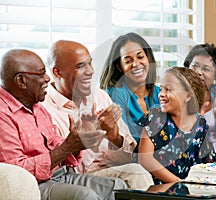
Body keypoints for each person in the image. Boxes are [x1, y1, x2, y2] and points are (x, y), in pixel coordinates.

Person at [0, 49, 127, 199]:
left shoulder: (36, 107)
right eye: (41, 74)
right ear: (21, 80)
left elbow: (58, 148)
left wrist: (80, 140)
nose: (47, 78)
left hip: (60, 175)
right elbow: (16, 175)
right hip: (33, 185)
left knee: (118, 188)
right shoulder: (3, 114)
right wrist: (69, 146)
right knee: (85, 196)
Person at [42, 40, 154, 190]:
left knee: (136, 172)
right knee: (135, 174)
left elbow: (128, 159)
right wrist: (78, 142)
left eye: (90, 63)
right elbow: (56, 171)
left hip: (107, 172)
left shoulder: (100, 97)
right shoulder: (43, 108)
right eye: (80, 66)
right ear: (57, 72)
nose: (90, 71)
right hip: (73, 180)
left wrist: (114, 136)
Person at [138, 67, 214, 184]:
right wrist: (179, 183)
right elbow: (145, 159)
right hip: (157, 187)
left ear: (188, 95)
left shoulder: (201, 125)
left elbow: (208, 164)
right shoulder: (155, 116)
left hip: (191, 190)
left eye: (168, 89)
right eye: (161, 89)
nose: (161, 95)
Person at [99, 32, 160, 145]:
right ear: (119, 66)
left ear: (148, 58)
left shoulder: (160, 93)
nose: (136, 64)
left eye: (140, 56)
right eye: (128, 61)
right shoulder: (114, 95)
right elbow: (126, 142)